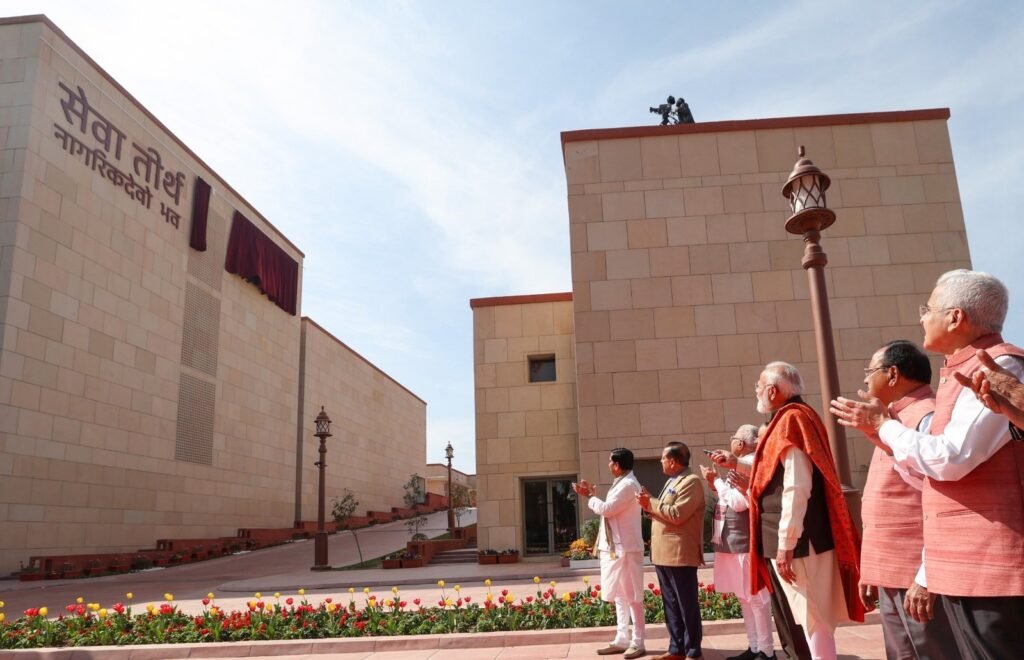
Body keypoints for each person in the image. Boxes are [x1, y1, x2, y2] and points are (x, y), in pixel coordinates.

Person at [830, 269, 1024, 659]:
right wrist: (879, 432)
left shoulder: (997, 367)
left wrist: (884, 427)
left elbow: (949, 460)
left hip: (988, 564)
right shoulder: (963, 372)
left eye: (928, 308)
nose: (922, 317)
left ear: (955, 317)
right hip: (962, 563)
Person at [748, 362, 865, 660]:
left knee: (814, 618)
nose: (756, 391)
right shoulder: (797, 417)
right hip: (803, 537)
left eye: (760, 386)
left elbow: (796, 486)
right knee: (815, 619)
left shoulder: (790, 421)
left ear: (773, 391)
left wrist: (786, 544)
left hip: (800, 543)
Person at [857, 340, 958, 660]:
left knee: (933, 653)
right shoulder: (890, 418)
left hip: (917, 572)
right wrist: (871, 568)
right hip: (891, 569)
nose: (864, 380)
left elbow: (943, 500)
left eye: (869, 371)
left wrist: (926, 577)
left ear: (892, 374)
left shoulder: (926, 416)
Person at [700, 424, 775, 660]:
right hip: (733, 540)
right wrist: (716, 484)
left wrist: (717, 482)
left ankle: (766, 650)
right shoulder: (740, 465)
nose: (730, 442)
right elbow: (728, 500)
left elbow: (739, 503)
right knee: (744, 597)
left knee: (756, 598)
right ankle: (754, 647)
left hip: (745, 541)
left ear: (740, 444)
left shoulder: (748, 464)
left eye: (733, 438)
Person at [573, 448, 646, 659]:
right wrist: (593, 496)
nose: (608, 465)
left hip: (627, 549)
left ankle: (638, 642)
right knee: (621, 596)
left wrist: (589, 496)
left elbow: (607, 509)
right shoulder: (622, 483)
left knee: (633, 596)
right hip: (617, 549)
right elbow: (609, 509)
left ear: (617, 465)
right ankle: (622, 639)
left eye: (610, 462)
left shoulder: (628, 484)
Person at [637, 441, 706, 660]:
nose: (660, 461)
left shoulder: (691, 482)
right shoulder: (673, 481)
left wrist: (651, 504)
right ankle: (676, 648)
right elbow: (664, 510)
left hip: (680, 553)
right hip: (664, 553)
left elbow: (678, 514)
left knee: (686, 604)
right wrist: (649, 505)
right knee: (671, 605)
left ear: (673, 461)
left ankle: (693, 650)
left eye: (663, 458)